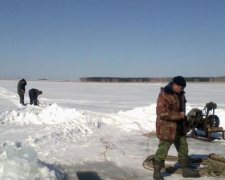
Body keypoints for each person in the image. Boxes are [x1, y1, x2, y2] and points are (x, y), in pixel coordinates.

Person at [152, 76, 200, 180]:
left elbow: (182, 110)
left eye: (183, 88)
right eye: (181, 87)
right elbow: (161, 113)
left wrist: (186, 122)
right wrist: (179, 115)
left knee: (183, 148)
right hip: (167, 129)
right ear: (174, 84)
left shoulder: (181, 94)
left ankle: (186, 170)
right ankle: (156, 172)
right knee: (162, 150)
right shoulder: (164, 94)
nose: (182, 89)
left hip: (179, 127)